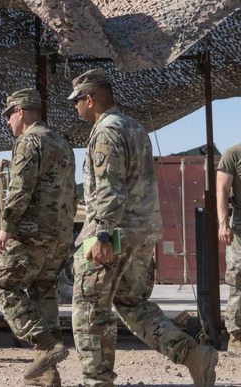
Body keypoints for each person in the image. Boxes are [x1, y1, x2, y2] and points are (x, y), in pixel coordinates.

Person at [69, 69, 217, 387]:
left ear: (90, 98)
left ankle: (96, 380)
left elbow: (109, 187)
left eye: (77, 101)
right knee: (133, 304)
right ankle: (193, 355)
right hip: (141, 233)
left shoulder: (106, 131)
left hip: (115, 233)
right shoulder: (133, 126)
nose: (75, 107)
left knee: (89, 307)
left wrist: (102, 234)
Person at [0, 88, 76, 387]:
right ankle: (47, 374)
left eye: (9, 115)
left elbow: (20, 189)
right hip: (60, 235)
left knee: (5, 286)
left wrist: (7, 226)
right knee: (44, 293)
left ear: (21, 112)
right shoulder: (61, 143)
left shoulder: (28, 141)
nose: (7, 122)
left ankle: (45, 343)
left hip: (31, 233)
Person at [216, 141, 241, 356]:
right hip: (240, 228)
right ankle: (236, 338)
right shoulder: (233, 154)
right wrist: (223, 224)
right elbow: (222, 189)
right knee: (238, 280)